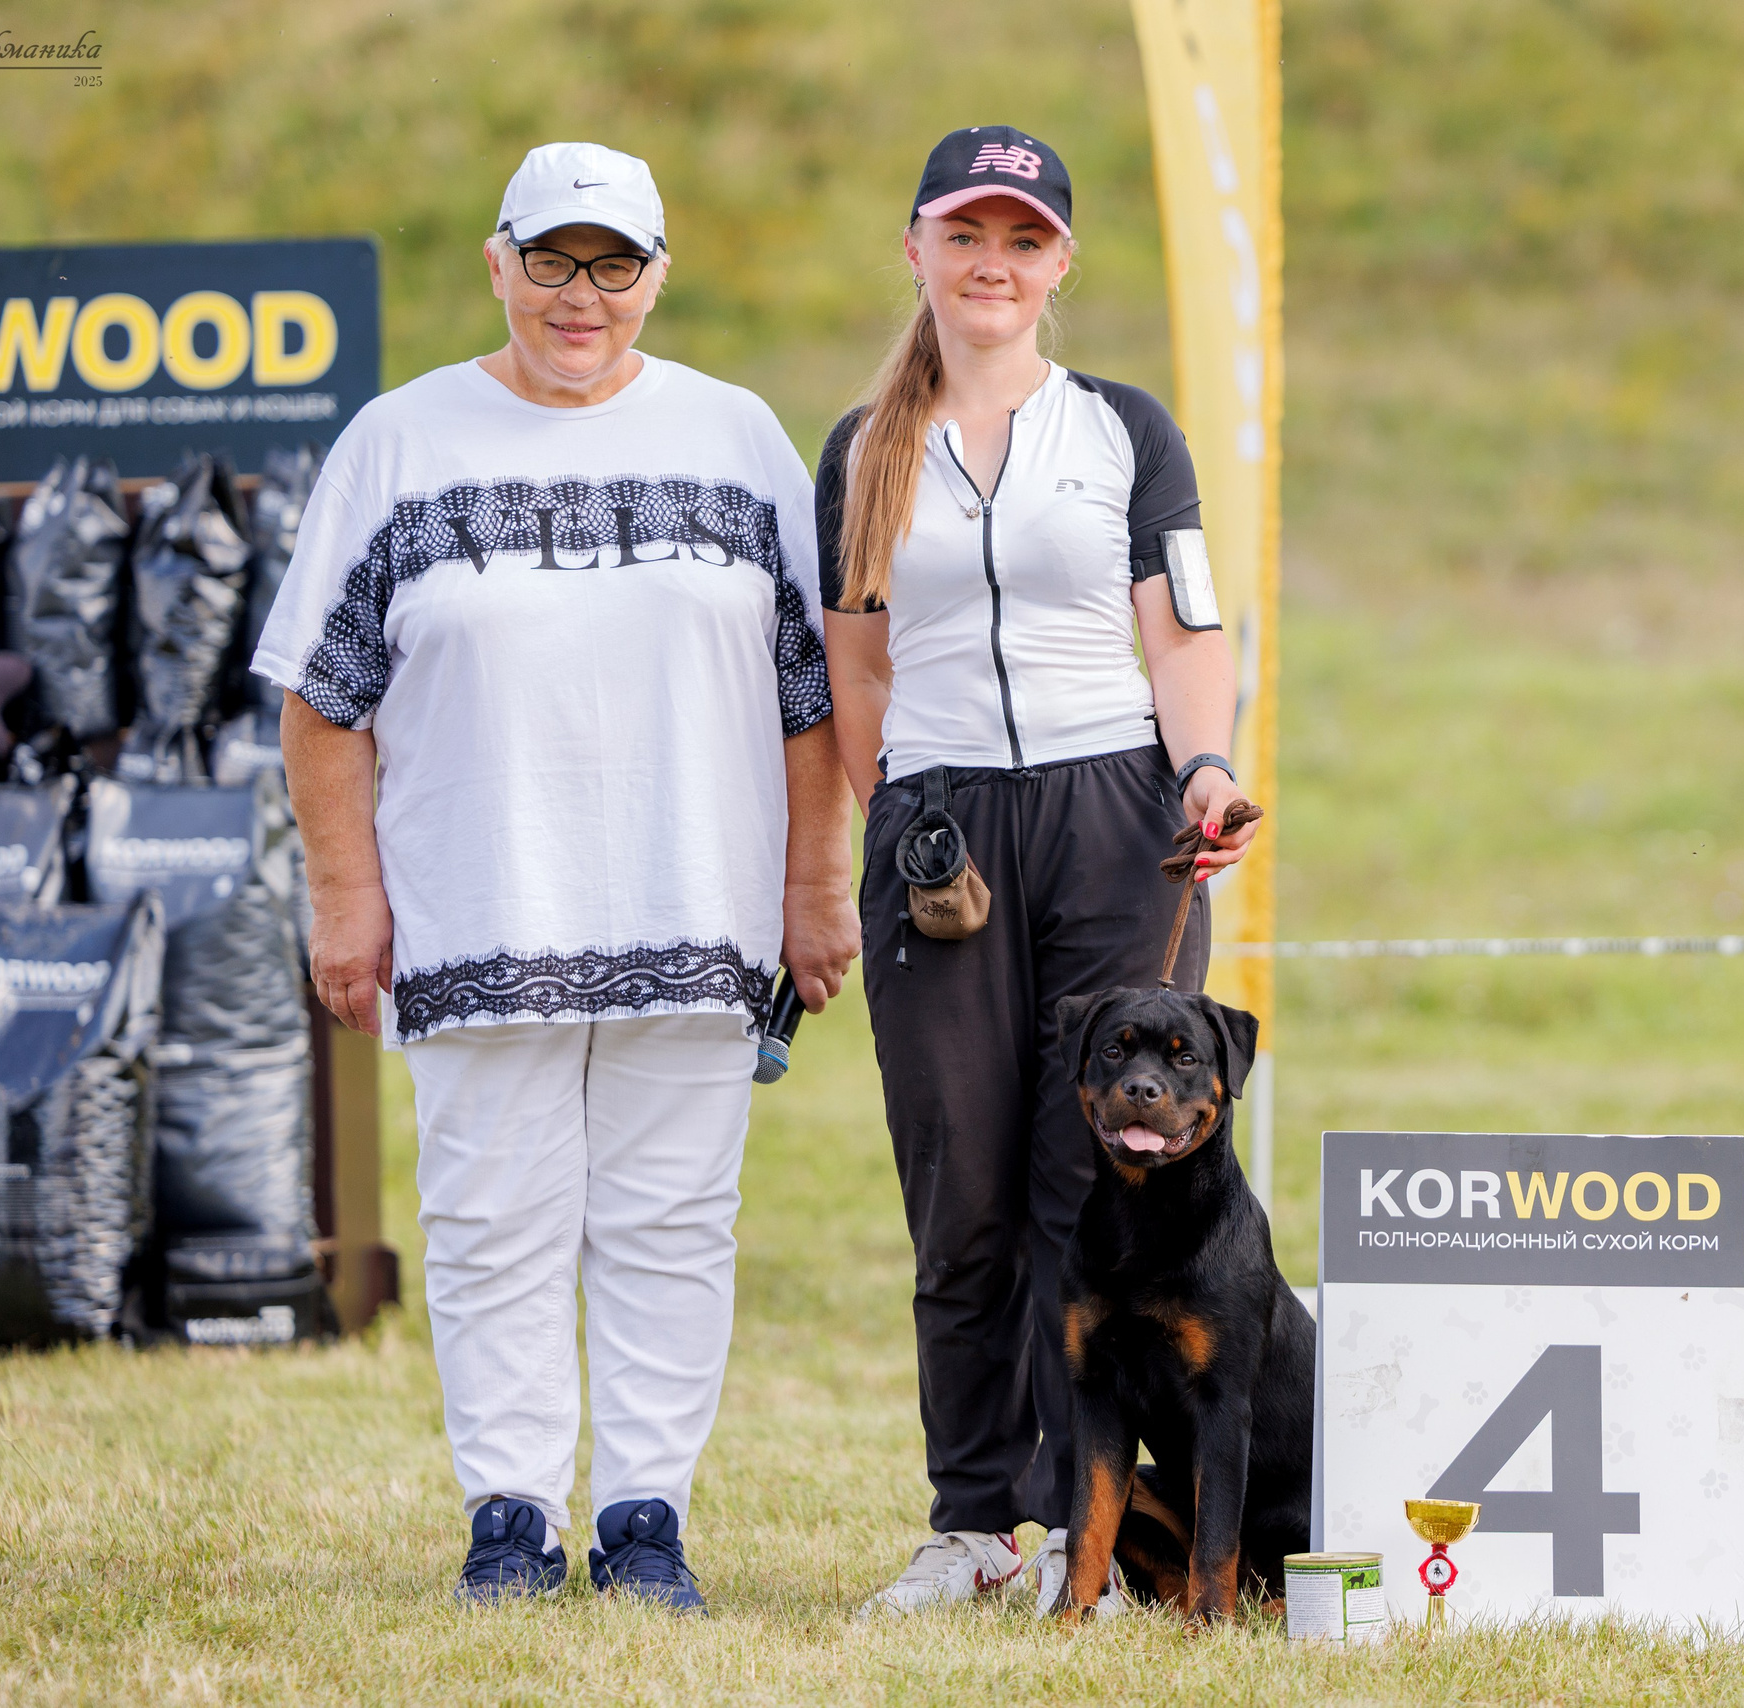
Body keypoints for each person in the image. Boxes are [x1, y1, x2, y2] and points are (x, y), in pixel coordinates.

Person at [255, 141, 857, 1610]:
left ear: (659, 275)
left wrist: (814, 885)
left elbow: (813, 690)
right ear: (498, 261)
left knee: (672, 1222)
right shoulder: (399, 442)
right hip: (479, 906)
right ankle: (509, 1518)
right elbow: (322, 702)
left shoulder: (737, 437)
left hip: (696, 907)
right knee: (491, 1218)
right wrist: (346, 901)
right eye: (552, 260)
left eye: (615, 266)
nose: (580, 297)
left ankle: (647, 1519)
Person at [819, 126, 1257, 1617]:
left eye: (1021, 237)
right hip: (942, 825)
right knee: (963, 1184)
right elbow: (856, 671)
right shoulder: (864, 448)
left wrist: (1203, 768)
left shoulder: (1126, 428)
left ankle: (1106, 1542)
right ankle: (972, 1528)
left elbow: (1185, 634)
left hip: (1114, 809)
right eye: (964, 233)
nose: (991, 261)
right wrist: (896, 836)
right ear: (920, 250)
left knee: (1104, 1173)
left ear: (1060, 259)